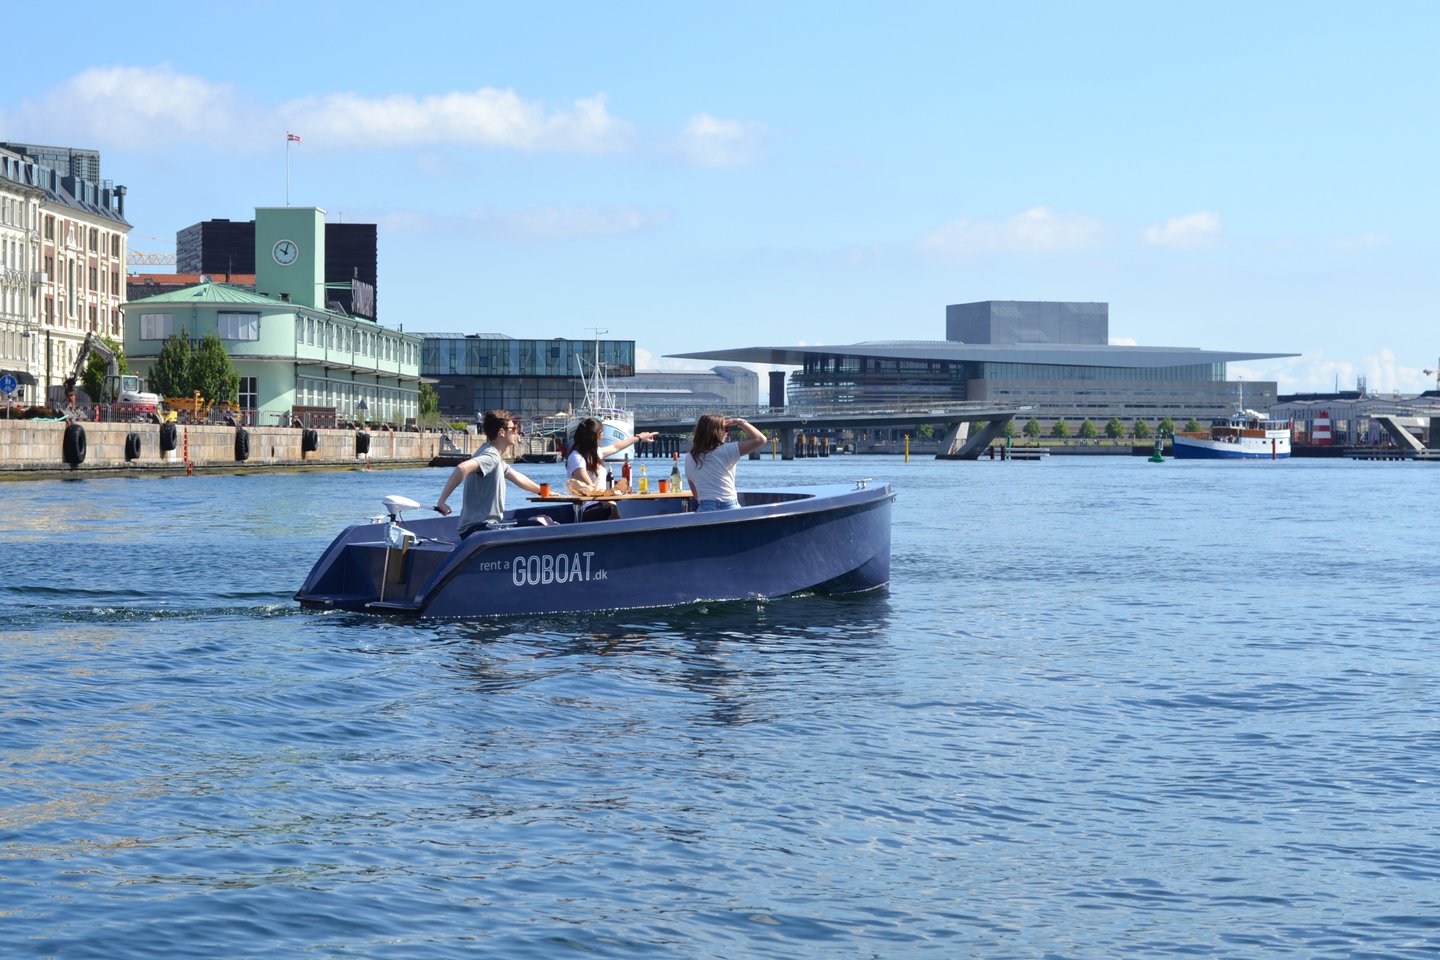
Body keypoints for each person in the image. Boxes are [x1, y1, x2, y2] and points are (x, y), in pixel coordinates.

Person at [433, 410, 542, 536]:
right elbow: (462, 468)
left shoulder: (490, 452)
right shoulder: (491, 457)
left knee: (539, 521)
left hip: (481, 528)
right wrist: (442, 502)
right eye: (513, 429)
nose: (516, 432)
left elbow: (516, 476)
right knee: (540, 525)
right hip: (480, 529)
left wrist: (542, 491)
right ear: (502, 432)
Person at [567, 418, 658, 521]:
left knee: (634, 505)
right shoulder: (576, 458)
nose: (602, 437)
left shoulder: (594, 453)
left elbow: (615, 447)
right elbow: (591, 489)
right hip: (589, 508)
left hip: (603, 503)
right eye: (602, 433)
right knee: (617, 509)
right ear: (597, 436)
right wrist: (609, 501)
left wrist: (639, 438)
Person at [685, 414, 766, 512]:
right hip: (729, 507)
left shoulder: (690, 457)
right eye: (726, 429)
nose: (727, 433)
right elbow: (760, 439)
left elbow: (696, 494)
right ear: (718, 432)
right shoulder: (727, 450)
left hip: (706, 508)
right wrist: (739, 422)